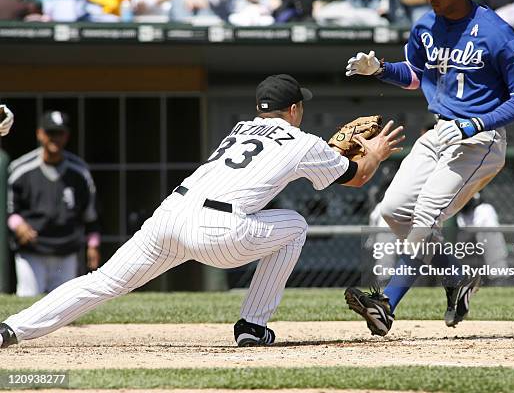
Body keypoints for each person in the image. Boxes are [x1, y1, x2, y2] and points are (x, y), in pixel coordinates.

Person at [0, 74, 404, 349]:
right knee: (295, 225)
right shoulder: (303, 140)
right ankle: (252, 325)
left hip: (171, 215)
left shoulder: (242, 128)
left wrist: (333, 154)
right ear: (295, 109)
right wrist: (375, 153)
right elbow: (357, 177)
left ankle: (11, 328)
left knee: (103, 281)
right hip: (220, 229)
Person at [343, 0, 514, 336]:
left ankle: (386, 303)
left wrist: (476, 123)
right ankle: (457, 275)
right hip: (439, 131)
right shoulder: (424, 25)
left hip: (481, 137)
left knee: (425, 215)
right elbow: (418, 75)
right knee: (393, 209)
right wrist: (380, 69)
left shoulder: (495, 30)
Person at [6, 111, 101, 297]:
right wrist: (18, 225)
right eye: (50, 132)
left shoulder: (79, 171)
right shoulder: (21, 169)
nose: (55, 138)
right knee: (28, 300)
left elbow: (90, 213)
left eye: (60, 133)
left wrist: (93, 244)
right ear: (40, 134)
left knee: (65, 306)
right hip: (32, 251)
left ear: (66, 136)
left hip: (66, 251)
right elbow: (9, 211)